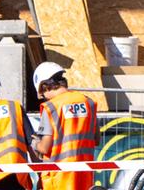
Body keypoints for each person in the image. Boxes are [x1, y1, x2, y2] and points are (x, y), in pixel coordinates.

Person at [32, 61, 99, 190]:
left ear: (45, 87)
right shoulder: (88, 102)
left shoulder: (51, 107)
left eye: (43, 94)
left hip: (59, 179)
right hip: (84, 177)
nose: (44, 98)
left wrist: (34, 143)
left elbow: (45, 148)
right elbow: (96, 139)